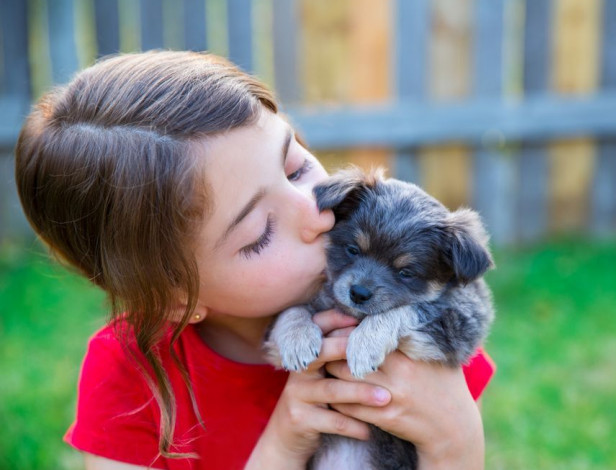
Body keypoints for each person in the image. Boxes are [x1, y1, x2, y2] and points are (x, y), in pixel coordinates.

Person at [15, 50, 495, 469]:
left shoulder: (410, 338)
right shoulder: (127, 376)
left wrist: (455, 438)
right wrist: (284, 443)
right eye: (260, 234)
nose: (314, 213)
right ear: (175, 297)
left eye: (296, 167)